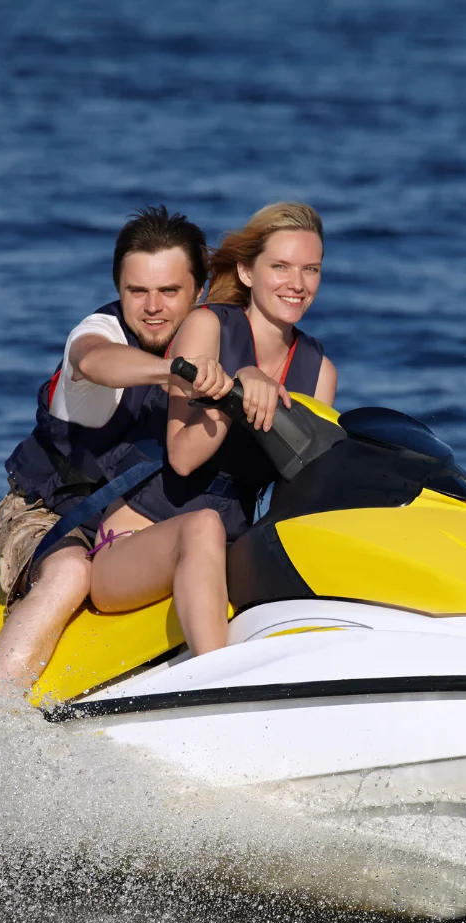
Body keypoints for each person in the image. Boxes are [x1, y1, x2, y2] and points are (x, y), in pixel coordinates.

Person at [0, 206, 233, 688]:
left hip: (141, 525)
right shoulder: (99, 333)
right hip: (48, 514)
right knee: (70, 576)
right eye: (136, 291)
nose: (152, 307)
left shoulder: (219, 338)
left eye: (169, 291)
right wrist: (175, 372)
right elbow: (96, 362)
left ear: (199, 291)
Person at [84, 202, 337, 657]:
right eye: (280, 267)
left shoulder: (319, 372)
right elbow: (182, 456)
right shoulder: (208, 326)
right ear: (245, 271)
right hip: (134, 544)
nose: (297, 284)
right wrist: (234, 396)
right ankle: (214, 675)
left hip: (225, 550)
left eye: (310, 269)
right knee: (203, 526)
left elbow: (291, 499)